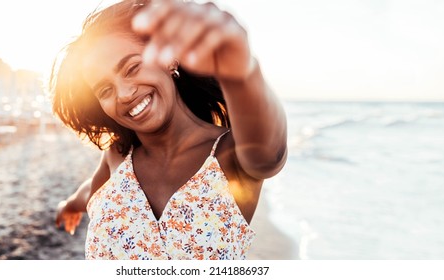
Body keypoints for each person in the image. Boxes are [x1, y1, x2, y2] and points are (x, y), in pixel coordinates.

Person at [51, 0, 287, 260]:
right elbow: (90, 192)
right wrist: (68, 205)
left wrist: (241, 70)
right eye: (105, 90)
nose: (124, 94)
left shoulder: (233, 157)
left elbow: (270, 153)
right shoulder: (117, 156)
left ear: (168, 58)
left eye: (132, 68)